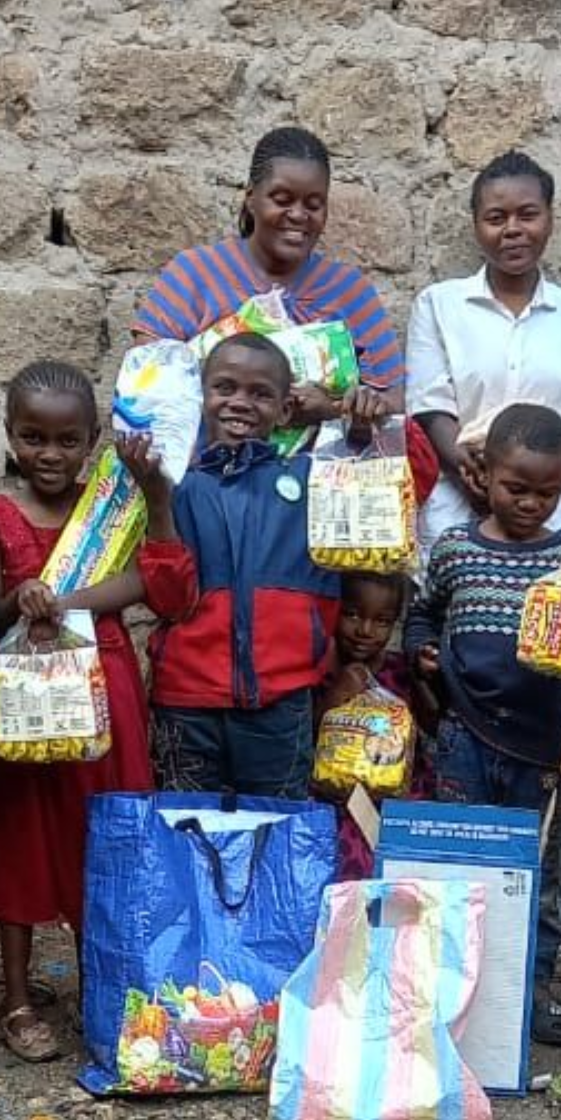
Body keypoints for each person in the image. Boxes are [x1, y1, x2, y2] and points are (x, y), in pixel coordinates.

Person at [0, 360, 192, 1064]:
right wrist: (20, 598)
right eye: (33, 438)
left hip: (103, 689)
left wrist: (154, 496)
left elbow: (165, 590)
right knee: (20, 837)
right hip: (25, 695)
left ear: (93, 441)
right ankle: (17, 997)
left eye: (68, 441)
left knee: (105, 836)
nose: (50, 454)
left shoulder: (113, 507)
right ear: (10, 435)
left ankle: (107, 985)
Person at [405, 404, 561, 1047]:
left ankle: (529, 995)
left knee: (536, 874)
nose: (530, 504)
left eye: (546, 493)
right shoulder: (455, 549)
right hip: (464, 735)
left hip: (541, 745)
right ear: (484, 477)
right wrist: (421, 653)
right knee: (461, 866)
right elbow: (424, 613)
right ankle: (453, 994)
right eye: (515, 488)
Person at [150, 333, 434, 798]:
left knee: (279, 827)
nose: (240, 402)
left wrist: (348, 413)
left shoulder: (313, 481)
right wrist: (156, 498)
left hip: (282, 700)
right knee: (186, 828)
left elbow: (416, 475)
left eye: (260, 393)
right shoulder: (176, 485)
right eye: (224, 387)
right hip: (186, 701)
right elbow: (164, 595)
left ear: (286, 411)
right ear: (200, 398)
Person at [407, 150, 561, 553]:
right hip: (459, 514)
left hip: (557, 523)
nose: (513, 229)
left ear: (550, 219)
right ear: (476, 225)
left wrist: (539, 491)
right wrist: (477, 477)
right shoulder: (438, 306)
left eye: (528, 215)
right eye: (496, 218)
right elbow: (430, 408)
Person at [132, 126, 405, 422]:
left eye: (314, 205)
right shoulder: (195, 274)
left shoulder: (349, 292)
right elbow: (143, 382)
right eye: (282, 200)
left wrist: (331, 409)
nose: (298, 215)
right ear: (251, 198)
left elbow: (397, 401)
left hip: (320, 454)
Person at [314, 572, 437, 879]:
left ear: (395, 624)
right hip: (335, 799)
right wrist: (336, 695)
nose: (365, 631)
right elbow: (303, 738)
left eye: (382, 621)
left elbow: (433, 724)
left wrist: (422, 676)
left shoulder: (400, 671)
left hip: (397, 802)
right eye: (352, 615)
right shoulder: (315, 672)